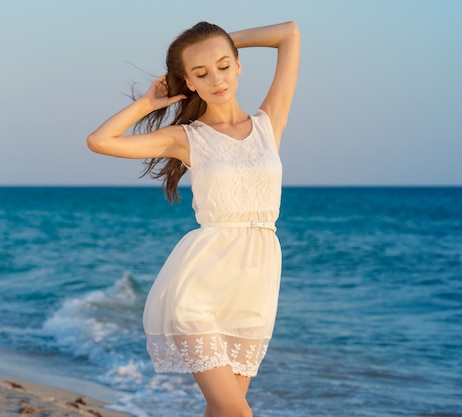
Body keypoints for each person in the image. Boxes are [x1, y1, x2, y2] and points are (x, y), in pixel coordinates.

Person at [87, 20, 300, 417]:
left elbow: (289, 34)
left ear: (238, 65)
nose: (216, 78)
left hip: (256, 287)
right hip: (199, 288)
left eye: (223, 65)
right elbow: (100, 142)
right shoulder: (187, 137)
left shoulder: (268, 124)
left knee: (222, 410)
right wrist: (148, 103)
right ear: (188, 82)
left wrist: (219, 42)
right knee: (239, 413)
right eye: (201, 73)